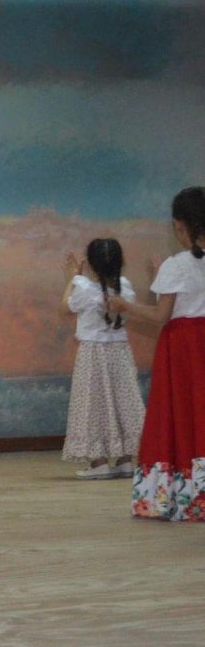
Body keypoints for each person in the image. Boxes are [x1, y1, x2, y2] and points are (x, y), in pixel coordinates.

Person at [109, 187, 205, 521]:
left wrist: (123, 305)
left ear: (181, 226)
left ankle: (174, 498)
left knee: (178, 415)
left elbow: (160, 316)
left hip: (183, 348)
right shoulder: (178, 266)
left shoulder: (177, 265)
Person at [60, 239, 145, 480]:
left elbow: (64, 308)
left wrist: (72, 278)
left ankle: (98, 462)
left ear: (91, 265)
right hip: (120, 352)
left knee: (93, 403)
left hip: (93, 353)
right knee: (122, 400)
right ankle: (126, 459)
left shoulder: (83, 288)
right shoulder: (126, 287)